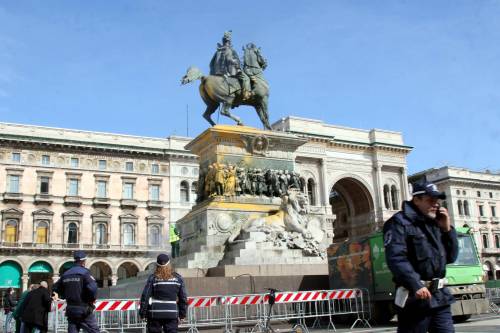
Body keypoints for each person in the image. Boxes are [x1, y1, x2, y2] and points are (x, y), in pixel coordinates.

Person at [383, 181, 459, 333]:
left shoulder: (435, 223)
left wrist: (447, 230)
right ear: (416, 200)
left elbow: (451, 257)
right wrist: (415, 284)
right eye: (430, 200)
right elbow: (396, 258)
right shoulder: (398, 222)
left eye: (437, 201)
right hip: (415, 297)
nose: (436, 204)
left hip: (439, 296)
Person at [52, 251, 99, 333]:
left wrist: (64, 295)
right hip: (83, 309)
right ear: (83, 261)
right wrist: (92, 299)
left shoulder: (66, 274)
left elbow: (55, 287)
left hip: (70, 309)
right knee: (94, 330)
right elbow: (93, 288)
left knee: (73, 330)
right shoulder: (85, 272)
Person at [139, 254, 187, 333]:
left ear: (157, 265)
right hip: (171, 314)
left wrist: (142, 313)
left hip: (155, 314)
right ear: (169, 264)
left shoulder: (153, 278)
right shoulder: (178, 278)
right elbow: (183, 298)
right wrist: (182, 314)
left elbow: (145, 296)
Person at [209, 31, 251, 99]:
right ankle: (246, 94)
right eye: (229, 41)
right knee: (246, 78)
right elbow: (231, 60)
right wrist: (237, 63)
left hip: (217, 73)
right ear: (229, 42)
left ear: (223, 41)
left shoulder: (218, 51)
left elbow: (211, 64)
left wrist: (213, 74)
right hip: (231, 72)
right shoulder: (230, 50)